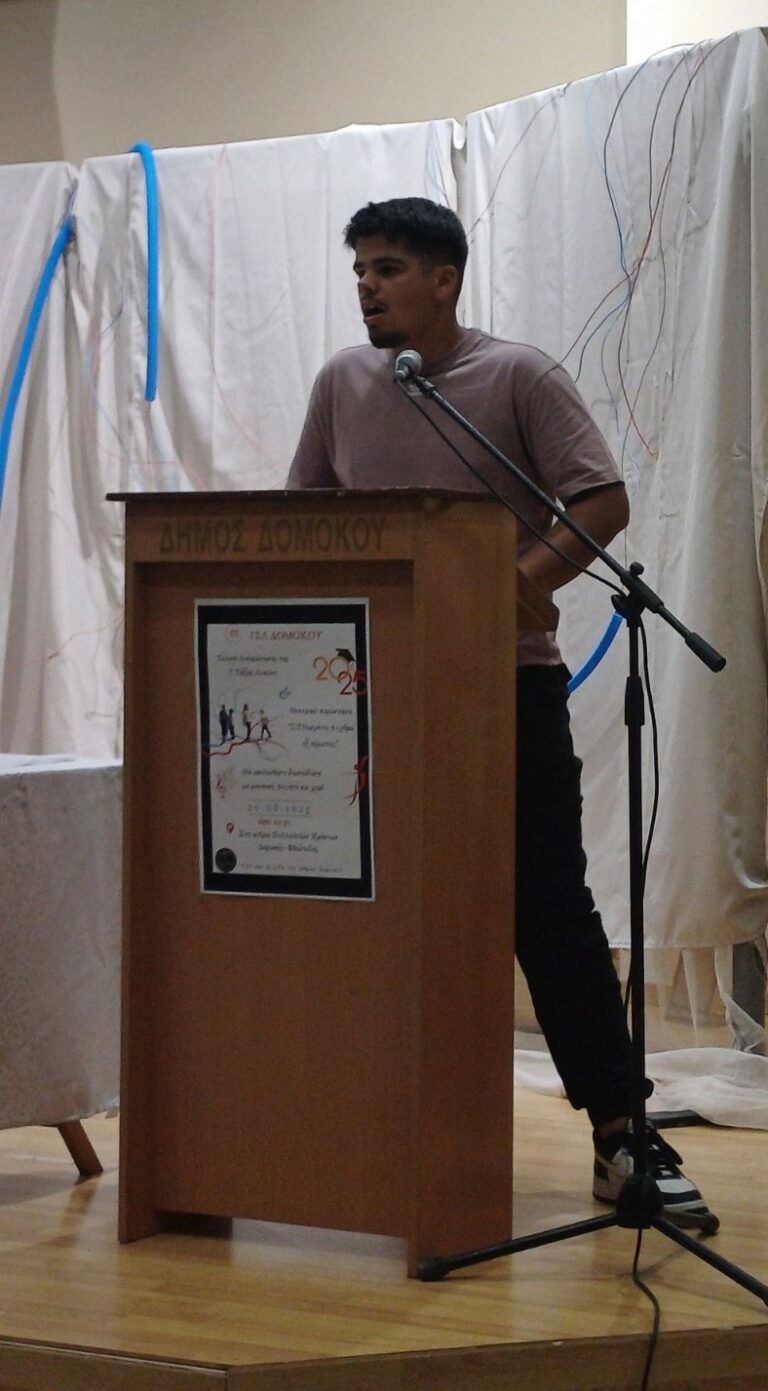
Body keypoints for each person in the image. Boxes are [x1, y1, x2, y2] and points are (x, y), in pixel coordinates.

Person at [287, 196, 710, 1223]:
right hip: (371, 692)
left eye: (388, 269)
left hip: (502, 683)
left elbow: (600, 497)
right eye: (359, 271)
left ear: (444, 281)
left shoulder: (516, 376)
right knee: (371, 906)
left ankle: (622, 1131)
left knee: (547, 905)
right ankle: (356, 1121)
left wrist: (513, 581)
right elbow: (303, 512)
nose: (366, 288)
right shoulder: (344, 382)